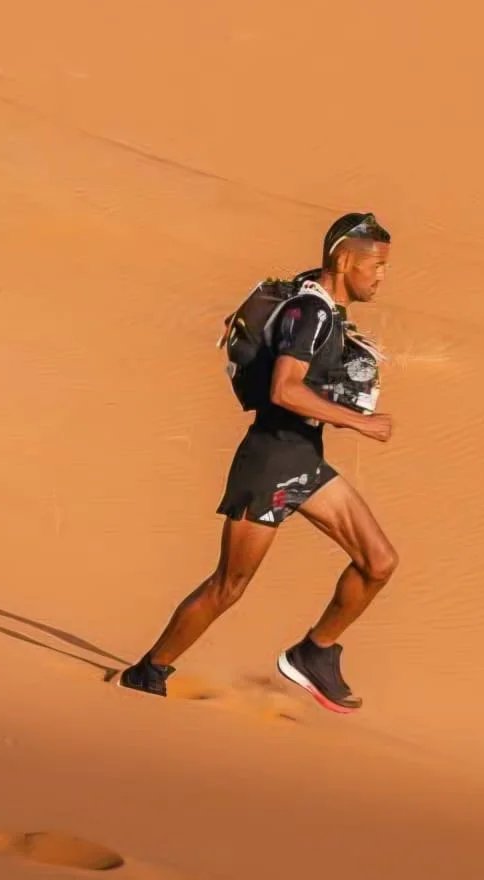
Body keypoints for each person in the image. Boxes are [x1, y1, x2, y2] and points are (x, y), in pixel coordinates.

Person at [118, 212, 398, 713]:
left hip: (303, 460)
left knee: (379, 562)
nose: (381, 276)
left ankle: (314, 652)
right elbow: (284, 389)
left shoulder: (317, 302)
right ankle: (148, 672)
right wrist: (358, 422)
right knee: (229, 585)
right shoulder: (310, 314)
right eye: (375, 265)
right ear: (343, 259)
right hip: (269, 464)